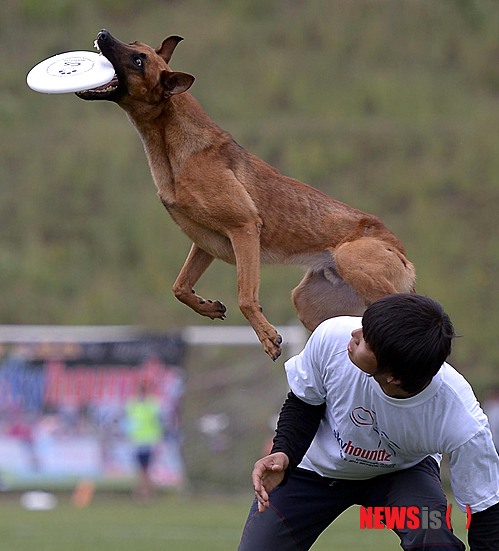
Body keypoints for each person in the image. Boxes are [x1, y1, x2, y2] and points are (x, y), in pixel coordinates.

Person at [238, 294, 499, 550]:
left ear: (394, 376)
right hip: (312, 473)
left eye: (367, 341)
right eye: (365, 324)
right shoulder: (333, 336)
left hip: (399, 476)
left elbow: (485, 511)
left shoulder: (461, 420)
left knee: (431, 533)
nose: (355, 334)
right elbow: (305, 402)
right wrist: (285, 451)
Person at [125, 381, 163, 501]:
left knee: (145, 468)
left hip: (148, 440)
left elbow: (158, 422)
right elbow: (129, 422)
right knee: (142, 469)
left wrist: (158, 439)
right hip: (137, 441)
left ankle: (143, 493)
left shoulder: (152, 404)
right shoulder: (132, 404)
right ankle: (146, 492)